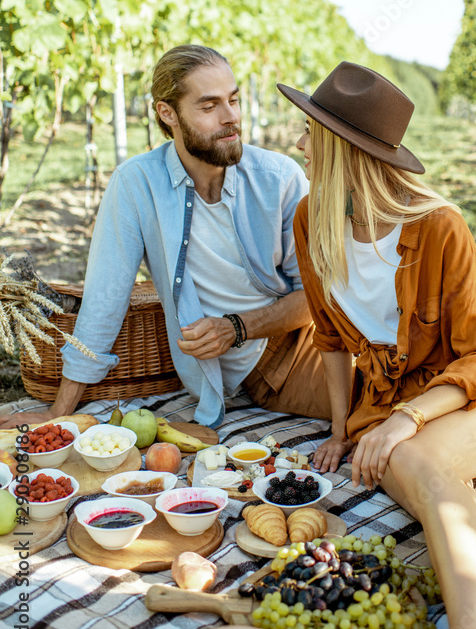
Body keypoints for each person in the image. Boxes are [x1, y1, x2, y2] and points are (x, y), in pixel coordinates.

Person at [277, 61, 476, 629]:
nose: (299, 142)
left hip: (472, 389)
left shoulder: (440, 227)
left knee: (418, 465)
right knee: (439, 492)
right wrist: (341, 428)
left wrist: (405, 419)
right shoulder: (312, 221)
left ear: (339, 149)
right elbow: (332, 340)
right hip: (383, 400)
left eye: (309, 132)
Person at [0, 45, 330, 429]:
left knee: (397, 397)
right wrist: (60, 411)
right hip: (267, 364)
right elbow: (104, 299)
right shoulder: (136, 183)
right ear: (167, 113)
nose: (231, 118)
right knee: (375, 411)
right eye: (209, 107)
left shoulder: (280, 177)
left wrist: (236, 327)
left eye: (234, 100)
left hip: (303, 336)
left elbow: (314, 295)